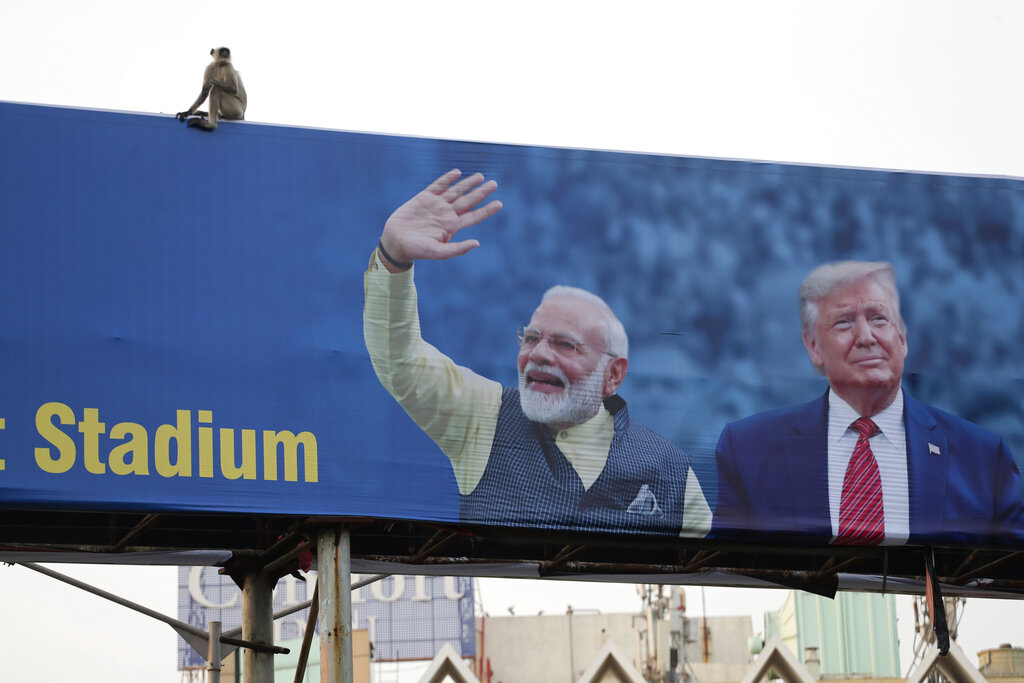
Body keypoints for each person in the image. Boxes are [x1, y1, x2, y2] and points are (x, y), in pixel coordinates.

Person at [363, 169, 711, 537]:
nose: (539, 354)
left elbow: (706, 563)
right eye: (531, 339)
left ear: (613, 374)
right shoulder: (484, 415)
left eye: (565, 344)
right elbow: (401, 363)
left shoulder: (673, 471)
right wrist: (393, 256)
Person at [712, 260, 1024, 547]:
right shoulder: (749, 450)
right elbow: (727, 570)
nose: (866, 337)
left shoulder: (984, 458)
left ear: (902, 338)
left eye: (879, 319)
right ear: (814, 347)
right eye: (844, 323)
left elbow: (1011, 573)